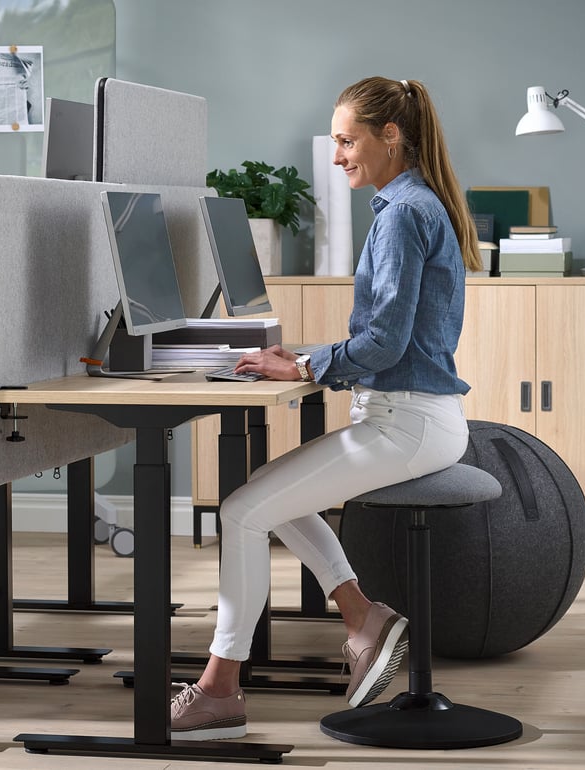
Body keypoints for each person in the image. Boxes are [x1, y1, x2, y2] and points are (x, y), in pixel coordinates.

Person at [171, 76, 482, 741]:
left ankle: (219, 688)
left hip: (409, 423)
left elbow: (385, 342)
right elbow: (387, 340)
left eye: (347, 140)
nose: (337, 155)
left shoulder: (402, 213)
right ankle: (360, 616)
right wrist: (299, 357)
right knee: (265, 494)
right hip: (414, 417)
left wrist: (308, 363)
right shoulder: (414, 203)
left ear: (389, 136)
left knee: (241, 512)